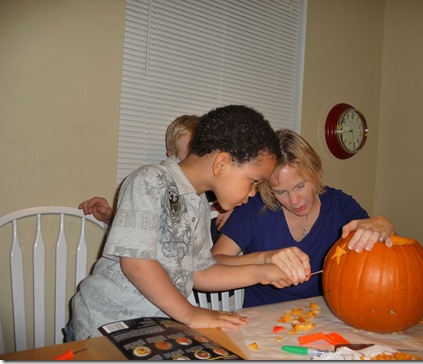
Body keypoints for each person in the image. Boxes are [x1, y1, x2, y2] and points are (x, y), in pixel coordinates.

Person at [66, 105, 303, 341]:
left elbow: (200, 272)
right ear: (221, 164)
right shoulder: (150, 180)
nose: (253, 193)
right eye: (253, 181)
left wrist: (262, 273)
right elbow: (136, 263)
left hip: (154, 330)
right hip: (105, 326)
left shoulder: (198, 204)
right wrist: (191, 314)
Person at [211, 128, 394, 308]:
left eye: (300, 186)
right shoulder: (254, 209)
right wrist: (264, 258)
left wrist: (382, 225)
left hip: (323, 315)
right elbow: (214, 261)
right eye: (280, 192)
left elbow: (385, 256)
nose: (294, 200)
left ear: (314, 173)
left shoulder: (339, 205)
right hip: (261, 317)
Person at [79, 114, 233, 234]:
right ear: (171, 155)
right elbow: (150, 229)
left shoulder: (211, 191)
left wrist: (231, 208)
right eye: (191, 152)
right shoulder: (154, 183)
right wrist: (111, 217)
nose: (198, 158)